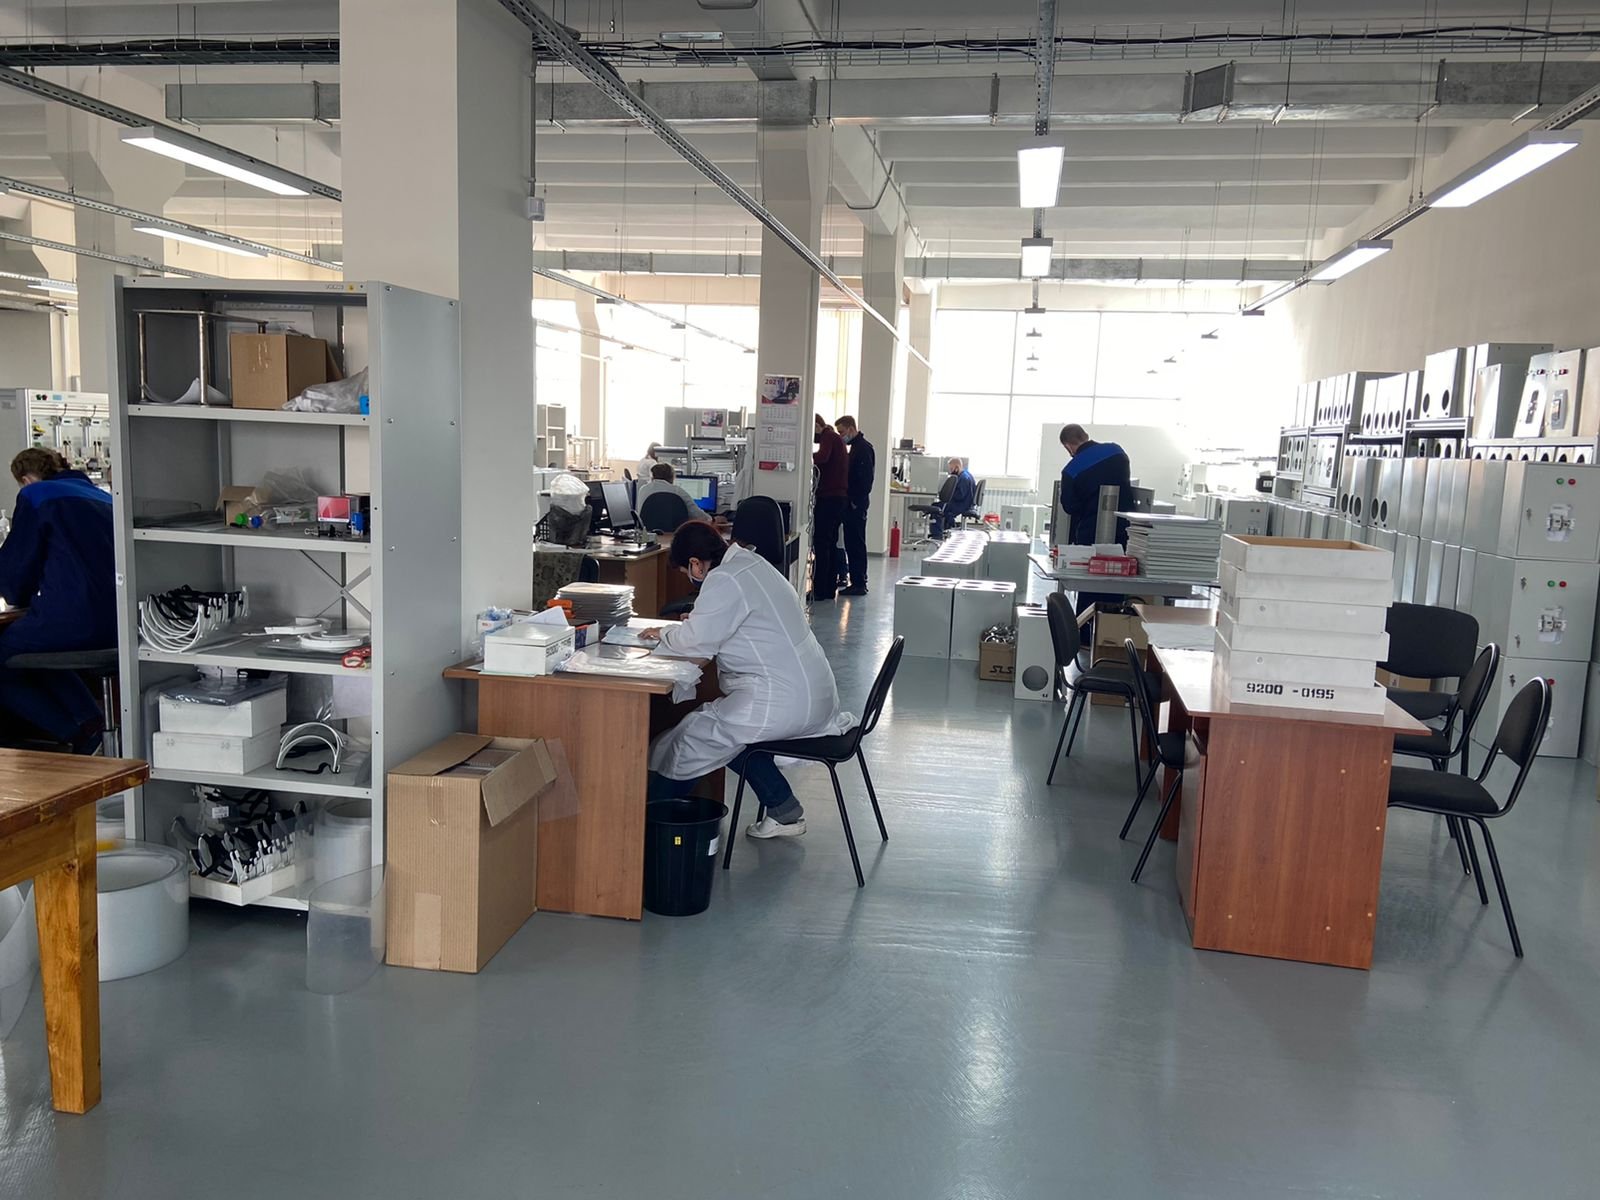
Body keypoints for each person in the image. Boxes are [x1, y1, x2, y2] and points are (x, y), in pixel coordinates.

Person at [641, 521, 846, 840]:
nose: (689, 578)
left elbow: (694, 643)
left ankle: (647, 824)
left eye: (686, 571)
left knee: (691, 739)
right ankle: (783, 808)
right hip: (810, 690)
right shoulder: (750, 562)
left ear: (695, 564)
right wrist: (701, 622)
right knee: (725, 736)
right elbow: (740, 620)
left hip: (781, 700)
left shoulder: (724, 578)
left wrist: (666, 632)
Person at [0, 448, 116, 752]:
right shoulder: (103, 497)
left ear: (26, 479)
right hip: (121, 621)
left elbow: (17, 567)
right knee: (41, 651)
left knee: (8, 654)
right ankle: (92, 725)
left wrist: (16, 595)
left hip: (76, 617)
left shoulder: (36, 495)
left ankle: (78, 735)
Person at [1058, 423, 1136, 623]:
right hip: (1125, 532)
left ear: (1068, 446)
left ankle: (1086, 632)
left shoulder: (1071, 470)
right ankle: (1114, 630)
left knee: (1090, 589)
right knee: (1117, 584)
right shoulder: (1117, 451)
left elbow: (1070, 507)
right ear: (1085, 435)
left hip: (1091, 536)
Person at [834, 415, 875, 596]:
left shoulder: (863, 449)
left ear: (851, 429)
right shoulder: (856, 448)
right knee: (851, 543)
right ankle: (857, 581)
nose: (841, 436)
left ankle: (859, 583)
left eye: (842, 432)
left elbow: (865, 481)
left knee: (856, 543)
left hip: (856, 504)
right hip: (853, 503)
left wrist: (854, 502)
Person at [811, 413, 848, 602]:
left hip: (829, 498)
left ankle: (819, 589)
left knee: (822, 543)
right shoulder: (835, 439)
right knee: (831, 543)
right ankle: (828, 588)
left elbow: (822, 457)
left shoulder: (828, 437)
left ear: (817, 426)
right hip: (837, 498)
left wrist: (805, 457)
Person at [634, 462, 711, 523]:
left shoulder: (643, 489)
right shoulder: (677, 491)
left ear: (653, 477)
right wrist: (711, 519)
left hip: (647, 534)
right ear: (672, 477)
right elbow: (699, 516)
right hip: (674, 534)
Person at [932, 457, 976, 539]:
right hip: (965, 503)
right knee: (941, 506)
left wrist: (948, 495)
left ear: (957, 467)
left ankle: (937, 535)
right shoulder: (966, 474)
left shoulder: (963, 478)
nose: (950, 471)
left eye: (951, 469)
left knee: (936, 508)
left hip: (961, 505)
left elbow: (960, 496)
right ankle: (947, 528)